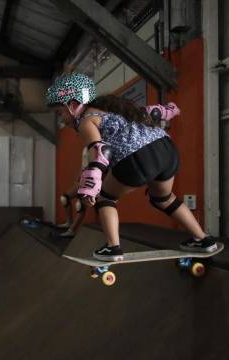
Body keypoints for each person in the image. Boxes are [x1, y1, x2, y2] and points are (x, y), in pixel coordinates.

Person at [45, 72, 217, 261]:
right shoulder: (115, 107)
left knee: (105, 198)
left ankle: (113, 248)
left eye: (60, 113)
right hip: (166, 150)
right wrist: (169, 110)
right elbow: (152, 112)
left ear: (74, 105)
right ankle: (204, 240)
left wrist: (89, 187)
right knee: (164, 199)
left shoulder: (87, 120)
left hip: (137, 157)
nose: (62, 120)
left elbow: (100, 151)